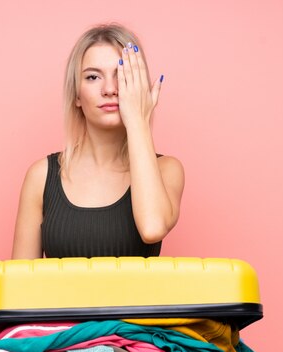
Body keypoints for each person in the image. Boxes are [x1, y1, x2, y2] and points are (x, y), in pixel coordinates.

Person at [11, 23, 184, 260]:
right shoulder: (41, 176)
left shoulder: (168, 170)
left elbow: (152, 228)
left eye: (122, 76)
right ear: (77, 96)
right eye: (93, 77)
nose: (110, 89)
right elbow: (20, 286)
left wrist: (138, 120)